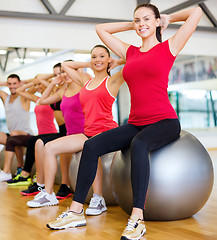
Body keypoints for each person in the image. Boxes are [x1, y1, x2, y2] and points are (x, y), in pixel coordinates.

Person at [46, 3, 202, 240]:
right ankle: (76, 211)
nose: (141, 24)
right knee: (91, 145)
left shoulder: (169, 47)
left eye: (146, 20)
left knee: (139, 144)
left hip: (165, 121)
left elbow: (196, 12)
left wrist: (166, 18)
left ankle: (137, 219)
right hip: (136, 121)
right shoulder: (130, 52)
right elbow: (101, 29)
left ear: (157, 21)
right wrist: (133, 24)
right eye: (137, 20)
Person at [26, 45, 124, 215]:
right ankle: (48, 194)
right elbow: (65, 65)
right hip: (87, 132)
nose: (97, 60)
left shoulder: (112, 80)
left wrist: (116, 61)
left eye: (102, 56)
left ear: (109, 59)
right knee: (49, 147)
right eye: (94, 57)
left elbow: (135, 59)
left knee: (92, 148)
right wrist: (93, 63)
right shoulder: (84, 83)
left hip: (106, 130)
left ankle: (98, 198)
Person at [19, 64, 84, 200]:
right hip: (65, 130)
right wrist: (54, 79)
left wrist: (77, 68)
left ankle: (64, 184)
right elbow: (42, 100)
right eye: (59, 73)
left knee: (56, 147)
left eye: (64, 72)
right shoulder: (60, 91)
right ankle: (40, 184)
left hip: (78, 131)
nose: (62, 75)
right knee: (37, 143)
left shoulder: (82, 86)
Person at [0, 74, 32, 181]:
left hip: (26, 134)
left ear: (19, 83)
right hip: (12, 135)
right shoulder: (6, 98)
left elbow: (36, 82)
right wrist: (6, 84)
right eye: (10, 84)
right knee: (11, 135)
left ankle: (15, 168)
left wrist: (23, 83)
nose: (12, 86)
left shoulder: (24, 96)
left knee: (14, 135)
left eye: (15, 83)